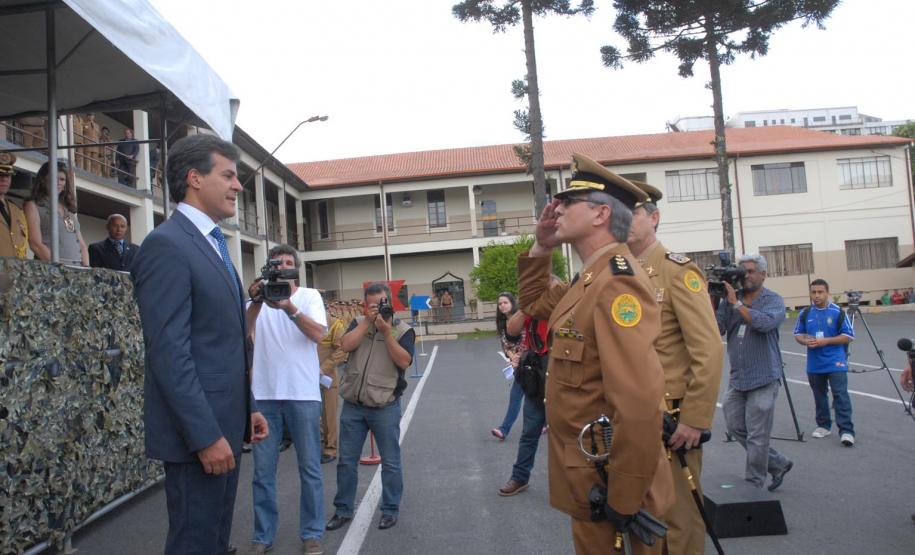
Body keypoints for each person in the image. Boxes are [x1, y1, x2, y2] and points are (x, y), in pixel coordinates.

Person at [517, 153, 673, 555]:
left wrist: (624, 496)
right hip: (590, 473)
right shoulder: (589, 277)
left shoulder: (616, 284)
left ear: (601, 214)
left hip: (610, 479)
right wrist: (541, 245)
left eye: (570, 202)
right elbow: (532, 305)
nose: (557, 209)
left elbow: (638, 403)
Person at [131, 133, 268, 555]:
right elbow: (169, 353)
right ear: (194, 178)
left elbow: (221, 341)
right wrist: (205, 435)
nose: (238, 186)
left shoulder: (212, 244)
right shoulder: (167, 245)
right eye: (228, 175)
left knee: (213, 540)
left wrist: (247, 408)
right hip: (200, 437)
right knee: (194, 542)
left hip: (226, 424)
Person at [627, 180, 724, 554]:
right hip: (634, 415)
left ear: (654, 217)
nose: (626, 221)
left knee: (679, 516)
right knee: (643, 512)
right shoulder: (621, 272)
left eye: (633, 213)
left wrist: (696, 418)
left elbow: (709, 349)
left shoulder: (677, 272)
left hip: (673, 418)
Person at [245, 244, 327, 555]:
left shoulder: (309, 296)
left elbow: (319, 334)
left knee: (310, 469)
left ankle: (312, 534)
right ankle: (262, 536)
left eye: (288, 262)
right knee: (263, 472)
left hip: (302, 394)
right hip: (263, 396)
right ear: (269, 268)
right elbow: (243, 330)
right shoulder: (259, 298)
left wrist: (289, 308)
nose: (282, 266)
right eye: (276, 262)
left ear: (296, 268)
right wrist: (258, 300)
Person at [326, 282, 415, 533]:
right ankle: (343, 509)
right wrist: (366, 322)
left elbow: (405, 361)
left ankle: (390, 509)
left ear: (390, 302)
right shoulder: (357, 324)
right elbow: (344, 345)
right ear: (366, 304)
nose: (379, 307)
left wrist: (386, 332)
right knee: (346, 462)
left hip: (385, 404)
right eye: (373, 304)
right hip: (354, 404)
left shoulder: (402, 329)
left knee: (391, 462)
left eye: (382, 302)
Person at [716, 254, 794, 492]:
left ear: (763, 274)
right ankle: (777, 463)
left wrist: (736, 305)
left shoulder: (773, 300)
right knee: (736, 427)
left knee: (758, 435)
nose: (745, 276)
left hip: (764, 377)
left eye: (750, 271)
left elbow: (764, 323)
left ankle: (753, 485)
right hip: (738, 379)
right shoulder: (731, 299)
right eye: (742, 272)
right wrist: (713, 298)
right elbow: (716, 328)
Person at [497, 282, 555, 497]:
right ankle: (520, 478)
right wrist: (527, 304)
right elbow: (512, 330)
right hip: (535, 379)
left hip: (559, 380)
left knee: (563, 437)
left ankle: (570, 484)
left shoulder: (562, 311)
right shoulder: (529, 312)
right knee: (529, 433)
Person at [793, 278, 856, 446]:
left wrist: (825, 341)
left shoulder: (838, 312)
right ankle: (823, 425)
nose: (817, 295)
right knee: (819, 395)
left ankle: (847, 431)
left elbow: (848, 336)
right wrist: (805, 340)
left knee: (840, 394)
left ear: (827, 293)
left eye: (820, 292)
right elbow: (798, 334)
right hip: (814, 363)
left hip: (835, 360)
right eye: (813, 292)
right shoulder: (805, 313)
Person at [23, 161, 89, 266]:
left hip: (77, 272)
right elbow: (35, 244)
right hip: (52, 271)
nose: (58, 182)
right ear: (43, 180)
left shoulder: (68, 209)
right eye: (54, 177)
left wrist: (86, 268)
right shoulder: (33, 205)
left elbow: (81, 243)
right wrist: (58, 269)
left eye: (62, 179)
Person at [491, 291, 525, 441]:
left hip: (530, 360)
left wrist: (519, 356)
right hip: (517, 363)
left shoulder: (522, 318)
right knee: (531, 396)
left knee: (522, 396)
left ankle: (504, 429)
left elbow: (526, 338)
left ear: (512, 304)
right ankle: (545, 423)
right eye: (500, 304)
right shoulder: (502, 322)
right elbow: (505, 344)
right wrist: (511, 356)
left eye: (505, 302)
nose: (502, 306)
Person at [317, 303, 348, 464]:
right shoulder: (305, 321)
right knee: (314, 415)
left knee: (329, 414)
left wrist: (324, 368)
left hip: (326, 377)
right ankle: (321, 440)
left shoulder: (334, 323)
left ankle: (331, 447)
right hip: (306, 377)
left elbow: (342, 350)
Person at [0, 153, 29, 259]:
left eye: (7, 175)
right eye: (0, 175)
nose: (4, 179)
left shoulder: (16, 210)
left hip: (15, 272)